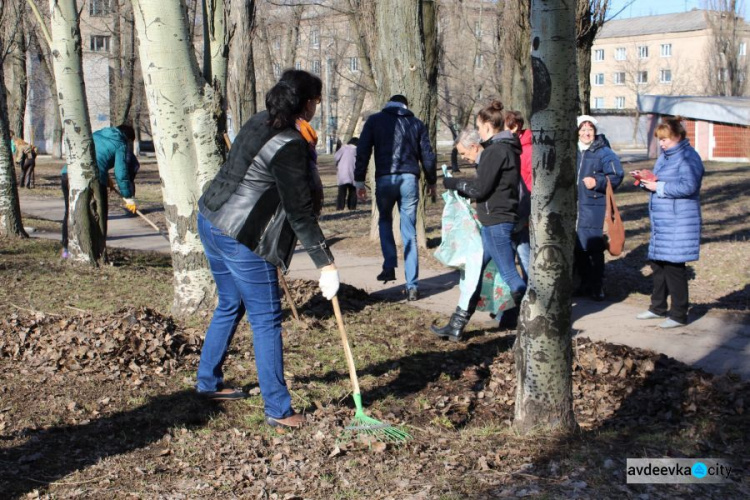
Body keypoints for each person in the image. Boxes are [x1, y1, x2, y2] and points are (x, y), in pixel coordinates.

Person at [196, 70, 339, 429]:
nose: (317, 107)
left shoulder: (260, 120)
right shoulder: (289, 143)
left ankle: (207, 382)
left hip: (211, 218)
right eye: (317, 101)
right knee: (266, 320)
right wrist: (326, 264)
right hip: (240, 234)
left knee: (231, 303)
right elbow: (299, 212)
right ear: (306, 103)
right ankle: (278, 409)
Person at [433, 100, 526, 341]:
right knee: (474, 273)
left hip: (497, 222)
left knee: (510, 276)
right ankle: (456, 325)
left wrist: (453, 183)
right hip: (493, 221)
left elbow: (480, 189)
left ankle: (534, 326)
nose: (478, 129)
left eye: (478, 125)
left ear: (486, 125)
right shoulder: (502, 148)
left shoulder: (497, 150)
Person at [354, 94, 437, 301]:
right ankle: (412, 286)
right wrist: (432, 181)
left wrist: (358, 180)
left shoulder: (374, 121)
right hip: (409, 179)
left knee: (384, 220)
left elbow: (363, 150)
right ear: (405, 106)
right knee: (409, 232)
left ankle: (389, 265)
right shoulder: (416, 123)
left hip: (385, 179)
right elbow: (427, 154)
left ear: (388, 104)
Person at [634, 116, 704, 329]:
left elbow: (689, 186)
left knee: (674, 267)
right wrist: (647, 181)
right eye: (660, 140)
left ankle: (679, 314)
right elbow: (660, 180)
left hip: (679, 221)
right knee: (658, 264)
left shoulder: (688, 157)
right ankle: (657, 307)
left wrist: (659, 188)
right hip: (663, 221)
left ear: (678, 136)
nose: (662, 144)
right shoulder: (665, 157)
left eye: (665, 139)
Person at [60, 124, 138, 258]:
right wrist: (128, 196)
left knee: (71, 212)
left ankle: (67, 249)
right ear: (128, 138)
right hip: (93, 180)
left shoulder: (97, 134)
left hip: (68, 174)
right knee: (99, 214)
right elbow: (121, 173)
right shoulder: (121, 144)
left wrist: (107, 178)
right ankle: (98, 252)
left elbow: (96, 157)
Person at [574, 115, 624, 301]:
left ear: (595, 132)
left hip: (595, 207)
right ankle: (584, 284)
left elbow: (617, 175)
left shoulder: (604, 152)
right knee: (578, 249)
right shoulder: (573, 151)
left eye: (590, 130)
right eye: (583, 130)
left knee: (594, 249)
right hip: (576, 208)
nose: (587, 133)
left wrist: (598, 181)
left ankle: (597, 286)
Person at [334, 137, 358, 210]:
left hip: (343, 174)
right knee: (353, 192)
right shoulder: (358, 150)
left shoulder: (343, 148)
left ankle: (340, 208)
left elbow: (336, 157)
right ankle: (352, 207)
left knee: (341, 193)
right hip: (353, 173)